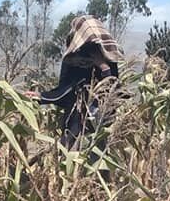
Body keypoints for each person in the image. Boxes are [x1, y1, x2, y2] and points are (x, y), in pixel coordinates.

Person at [31, 15, 123, 148]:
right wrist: (42, 97)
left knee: (97, 160)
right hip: (75, 123)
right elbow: (64, 92)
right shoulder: (72, 59)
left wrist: (103, 66)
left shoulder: (108, 59)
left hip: (100, 125)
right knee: (68, 157)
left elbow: (114, 93)